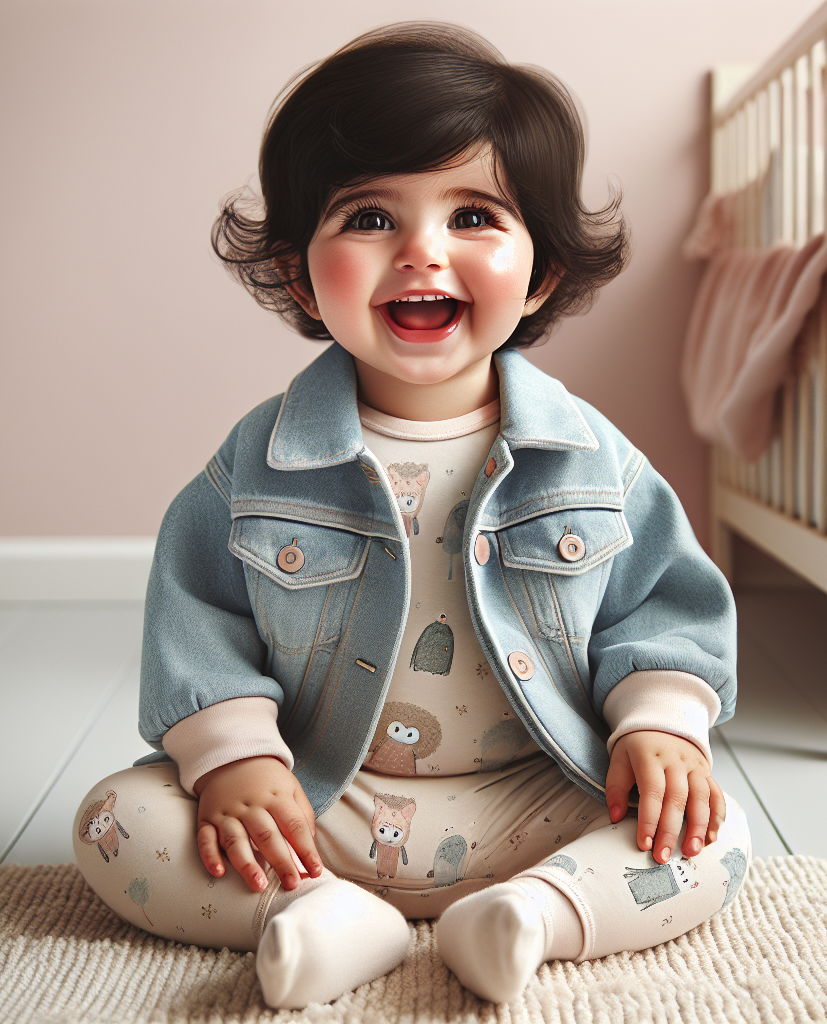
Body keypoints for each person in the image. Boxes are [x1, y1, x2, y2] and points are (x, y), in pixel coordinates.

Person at [73, 22, 751, 1010]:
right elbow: (196, 617)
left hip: (535, 793)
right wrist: (234, 761)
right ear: (303, 274)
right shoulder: (259, 463)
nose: (422, 251)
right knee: (114, 821)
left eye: (473, 216)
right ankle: (318, 916)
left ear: (543, 271)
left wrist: (661, 727)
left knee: (711, 831)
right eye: (368, 219)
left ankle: (530, 916)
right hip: (317, 802)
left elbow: (660, 609)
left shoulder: (593, 459)